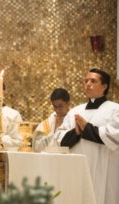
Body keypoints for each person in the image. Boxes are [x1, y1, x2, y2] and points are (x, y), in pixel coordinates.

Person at [55, 68, 119, 204]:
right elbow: (59, 137)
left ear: (105, 86)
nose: (88, 84)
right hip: (78, 169)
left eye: (93, 81)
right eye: (86, 81)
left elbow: (116, 136)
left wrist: (87, 128)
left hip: (106, 170)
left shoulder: (114, 109)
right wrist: (76, 133)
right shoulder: (75, 111)